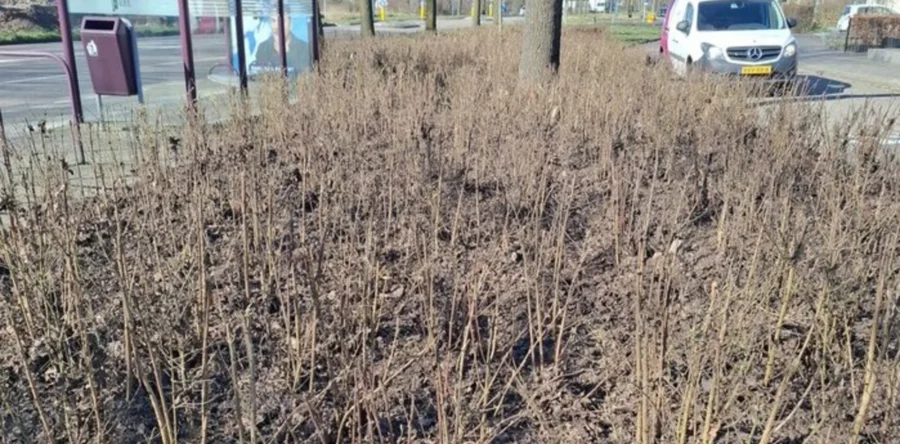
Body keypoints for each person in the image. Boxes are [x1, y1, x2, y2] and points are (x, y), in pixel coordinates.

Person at [252, 5, 311, 75]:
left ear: (290, 24)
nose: (277, 26)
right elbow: (259, 77)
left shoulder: (304, 48)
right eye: (273, 21)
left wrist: (287, 53)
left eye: (282, 20)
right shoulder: (263, 47)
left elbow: (304, 75)